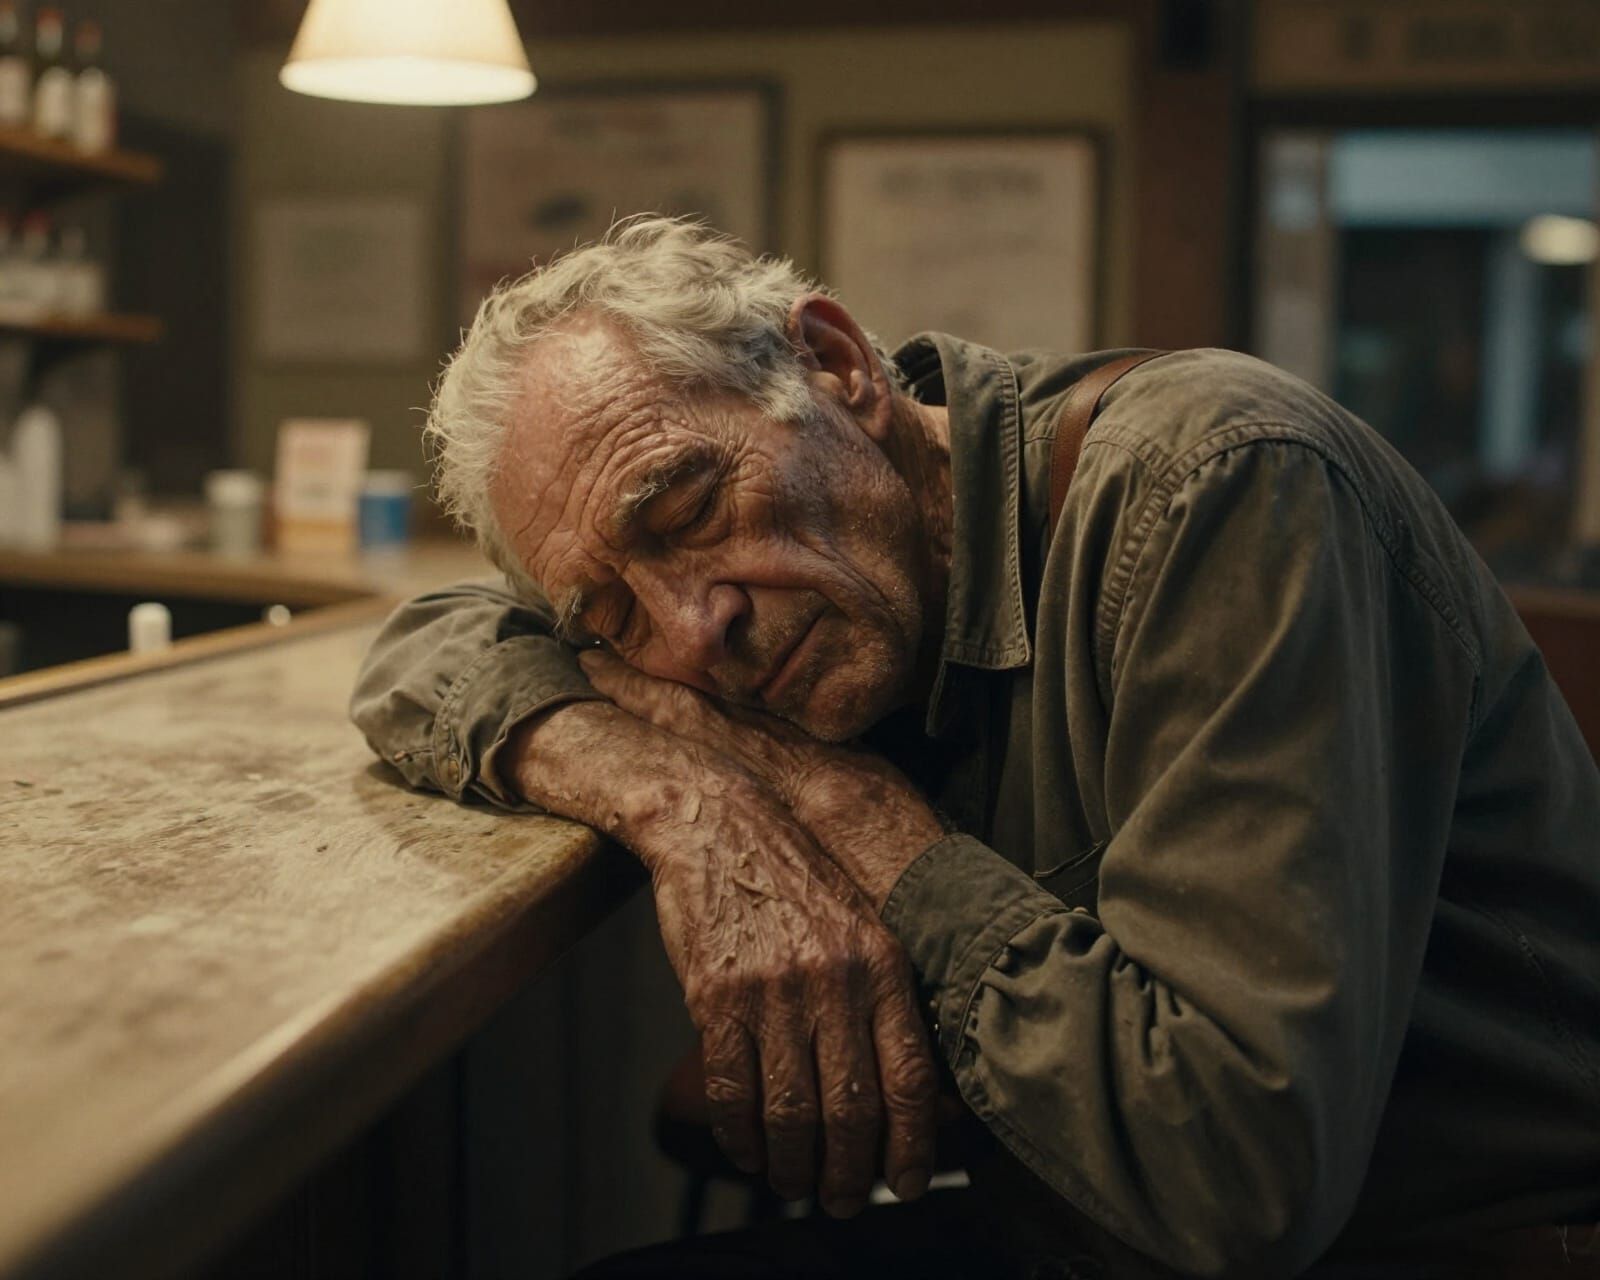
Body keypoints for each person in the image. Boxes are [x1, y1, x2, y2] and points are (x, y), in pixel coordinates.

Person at [350, 216, 1600, 1279]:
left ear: (837, 364)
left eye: (687, 508)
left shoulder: (1220, 486)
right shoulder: (812, 582)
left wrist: (849, 811)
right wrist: (681, 796)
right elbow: (420, 647)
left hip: (1441, 1233)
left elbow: (1237, 1178)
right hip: (1083, 1207)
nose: (693, 628)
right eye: (613, 613)